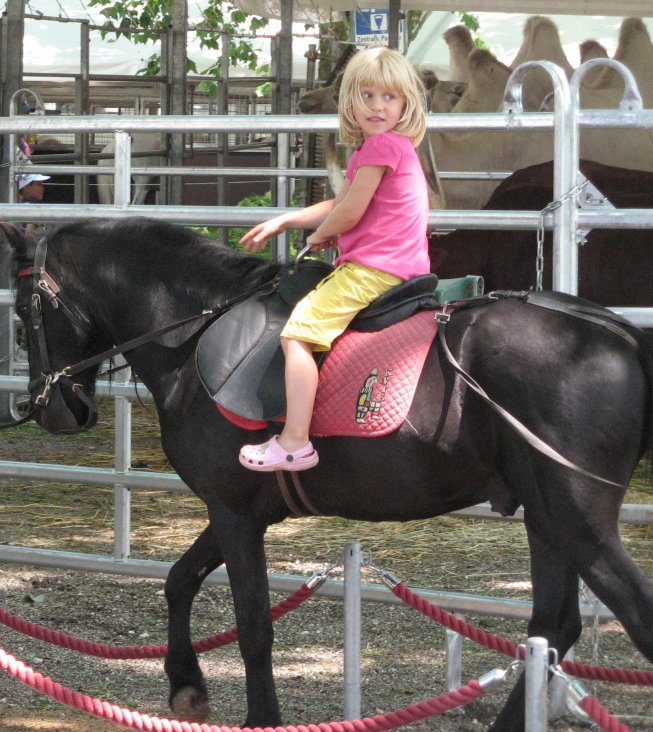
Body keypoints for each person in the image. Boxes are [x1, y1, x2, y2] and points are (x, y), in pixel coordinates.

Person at [238, 46, 431, 472]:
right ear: (350, 102)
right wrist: (288, 221)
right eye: (367, 96)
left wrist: (323, 235)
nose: (377, 106)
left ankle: (294, 441)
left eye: (389, 97)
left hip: (373, 270)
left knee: (297, 335)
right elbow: (340, 203)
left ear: (406, 104)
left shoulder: (383, 147)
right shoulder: (377, 150)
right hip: (390, 264)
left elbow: (348, 213)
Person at [17, 172, 50, 239]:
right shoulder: (32, 208)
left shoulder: (19, 205)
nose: (42, 188)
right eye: (39, 184)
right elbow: (29, 234)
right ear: (27, 187)